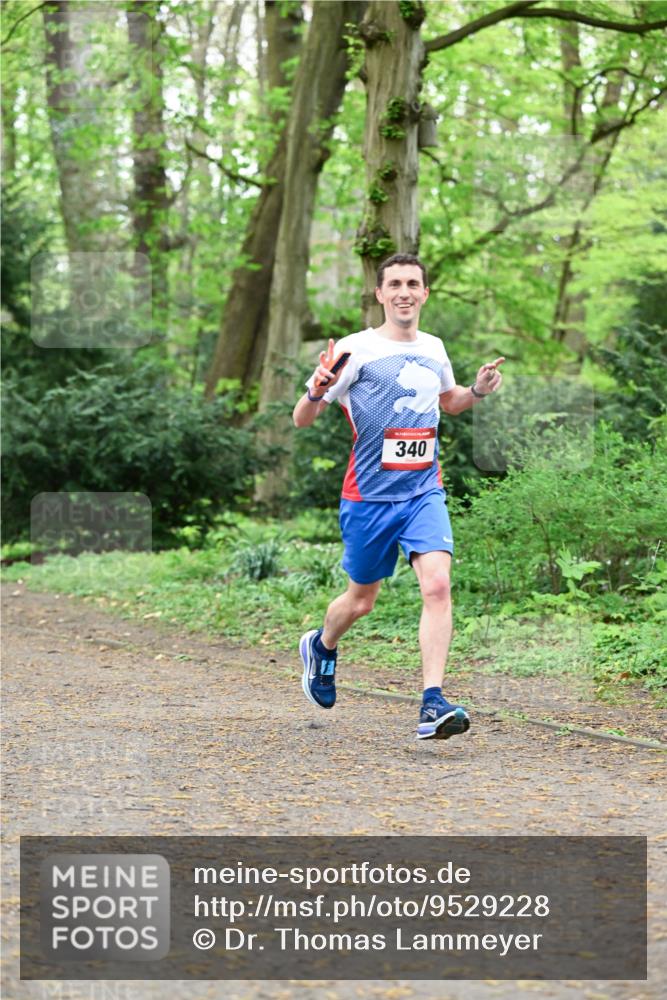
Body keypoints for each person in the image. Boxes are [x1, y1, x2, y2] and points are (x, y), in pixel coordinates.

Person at [292, 253, 504, 740]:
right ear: (380, 294)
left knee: (437, 585)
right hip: (368, 496)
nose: (405, 291)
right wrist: (319, 389)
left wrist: (478, 389)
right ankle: (322, 646)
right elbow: (302, 419)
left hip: (422, 490)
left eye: (414, 283)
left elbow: (448, 402)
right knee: (361, 600)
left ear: (425, 293)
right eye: (395, 284)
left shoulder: (434, 347)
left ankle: (432, 702)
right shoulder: (354, 349)